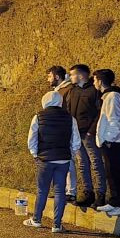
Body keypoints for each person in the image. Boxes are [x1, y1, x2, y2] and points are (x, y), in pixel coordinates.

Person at [22, 90, 81, 233]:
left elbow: (32, 139)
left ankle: (36, 220)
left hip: (45, 159)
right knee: (60, 191)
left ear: (45, 101)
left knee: (42, 190)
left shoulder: (38, 117)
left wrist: (35, 154)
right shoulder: (70, 118)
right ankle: (57, 224)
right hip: (63, 159)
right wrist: (70, 154)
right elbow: (76, 141)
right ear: (60, 102)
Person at [64, 64, 106, 208]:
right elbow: (68, 110)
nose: (70, 77)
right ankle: (87, 193)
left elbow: (100, 111)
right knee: (82, 164)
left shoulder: (94, 91)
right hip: (76, 133)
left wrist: (91, 131)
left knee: (96, 163)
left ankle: (100, 194)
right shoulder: (72, 91)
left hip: (89, 134)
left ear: (81, 75)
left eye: (72, 75)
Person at [93, 68, 120, 216]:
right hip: (115, 140)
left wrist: (108, 139)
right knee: (113, 172)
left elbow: (113, 120)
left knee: (117, 172)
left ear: (100, 81)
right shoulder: (112, 96)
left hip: (114, 141)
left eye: (95, 79)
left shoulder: (112, 97)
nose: (94, 82)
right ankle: (115, 201)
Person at [46, 65, 76, 200]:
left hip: (65, 128)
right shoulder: (59, 91)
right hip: (59, 129)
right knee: (60, 161)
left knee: (68, 161)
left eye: (49, 76)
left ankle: (70, 191)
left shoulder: (67, 90)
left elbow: (70, 109)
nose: (48, 79)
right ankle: (62, 190)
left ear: (57, 77)